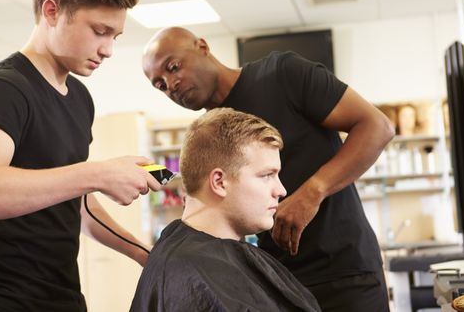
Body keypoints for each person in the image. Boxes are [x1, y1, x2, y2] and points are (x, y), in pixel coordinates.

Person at [141, 27, 395, 311]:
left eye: (174, 67)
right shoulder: (213, 131)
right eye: (160, 85)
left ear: (202, 46)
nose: (171, 84)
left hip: (345, 271)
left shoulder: (282, 74)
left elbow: (378, 127)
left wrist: (313, 192)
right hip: (279, 278)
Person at [0, 0, 161, 311]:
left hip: (62, 295)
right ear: (52, 11)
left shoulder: (79, 98)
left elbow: (76, 201)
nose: (108, 50)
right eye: (99, 31)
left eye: (114, 37)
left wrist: (144, 254)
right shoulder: (3, 90)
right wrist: (96, 173)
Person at [130, 107, 321, 312]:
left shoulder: (185, 256)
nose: (281, 190)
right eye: (267, 175)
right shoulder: (191, 273)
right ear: (219, 182)